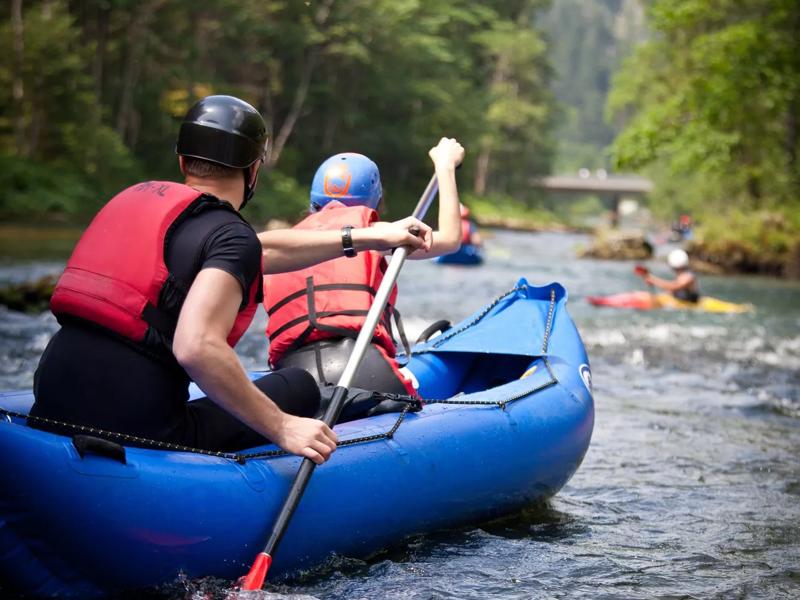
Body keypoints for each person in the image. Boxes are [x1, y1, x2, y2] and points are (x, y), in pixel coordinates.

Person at [30, 95, 432, 463]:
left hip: (49, 399)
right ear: (253, 169)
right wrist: (282, 426)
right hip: (143, 430)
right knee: (298, 384)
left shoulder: (137, 202)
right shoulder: (228, 237)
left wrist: (368, 237)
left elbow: (259, 251)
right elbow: (197, 346)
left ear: (184, 161)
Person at [262, 140, 465, 396]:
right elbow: (450, 238)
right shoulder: (374, 234)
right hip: (362, 369)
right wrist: (445, 167)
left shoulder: (286, 247)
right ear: (375, 203)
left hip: (291, 378)